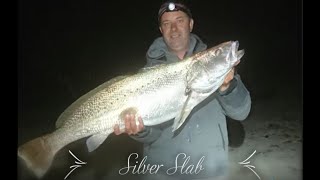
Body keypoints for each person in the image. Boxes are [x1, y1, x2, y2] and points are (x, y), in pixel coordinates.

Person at [113, 1, 251, 180]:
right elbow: (151, 135)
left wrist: (227, 87)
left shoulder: (216, 72)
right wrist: (139, 130)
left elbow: (242, 112)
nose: (174, 29)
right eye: (167, 24)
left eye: (180, 20)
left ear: (191, 24)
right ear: (161, 30)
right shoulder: (145, 78)